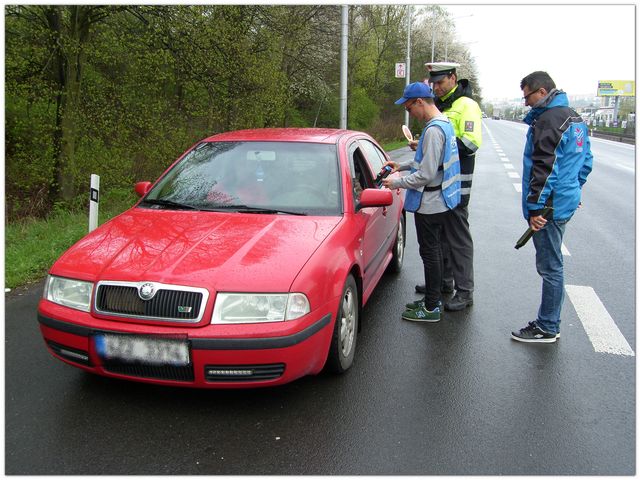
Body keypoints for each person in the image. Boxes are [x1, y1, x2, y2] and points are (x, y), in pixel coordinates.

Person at [511, 71, 593, 343]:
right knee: (553, 264)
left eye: (528, 96)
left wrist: (535, 209)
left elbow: (544, 169)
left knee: (550, 267)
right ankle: (548, 322)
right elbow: (586, 160)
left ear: (543, 91)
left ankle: (547, 326)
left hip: (549, 206)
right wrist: (575, 189)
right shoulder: (575, 118)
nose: (526, 103)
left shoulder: (549, 120)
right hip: (563, 199)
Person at [382, 81, 461, 323]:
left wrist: (396, 182)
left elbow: (426, 175)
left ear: (419, 102)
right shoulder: (443, 124)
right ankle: (432, 300)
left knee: (431, 253)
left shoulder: (434, 131)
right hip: (442, 200)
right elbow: (429, 162)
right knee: (434, 252)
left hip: (431, 203)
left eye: (409, 108)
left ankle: (430, 308)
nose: (410, 114)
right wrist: (402, 165)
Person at [411, 62, 482, 312]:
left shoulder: (467, 106)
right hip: (439, 187)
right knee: (440, 238)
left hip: (457, 185)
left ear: (453, 78)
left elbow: (471, 143)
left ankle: (465, 291)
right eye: (434, 84)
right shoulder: (442, 106)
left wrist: (439, 147)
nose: (437, 88)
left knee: (458, 239)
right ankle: (443, 283)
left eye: (441, 82)